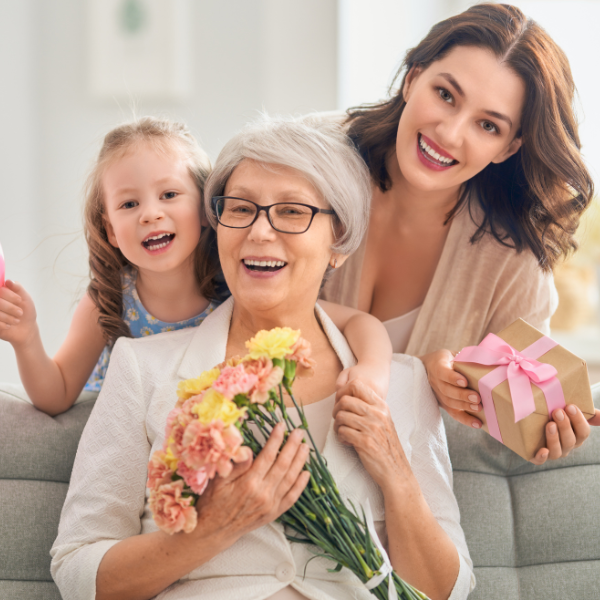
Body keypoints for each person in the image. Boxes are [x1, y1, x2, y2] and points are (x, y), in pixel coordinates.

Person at [51, 116, 474, 600]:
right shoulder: (142, 368)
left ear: (337, 242)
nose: (259, 232)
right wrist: (211, 529)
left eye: (292, 212)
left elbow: (448, 590)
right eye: (241, 209)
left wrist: (397, 474)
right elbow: (77, 570)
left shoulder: (404, 383)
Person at [321, 2, 600, 463]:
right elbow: (239, 313)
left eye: (487, 125)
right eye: (446, 94)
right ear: (412, 78)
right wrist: (417, 375)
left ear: (508, 148)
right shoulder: (305, 163)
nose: (450, 134)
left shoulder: (514, 262)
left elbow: (502, 427)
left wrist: (544, 430)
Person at [0, 117, 391, 416]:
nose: (150, 214)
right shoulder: (111, 300)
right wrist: (26, 339)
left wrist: (372, 369)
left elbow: (358, 323)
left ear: (207, 211)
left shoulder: (235, 285)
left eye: (169, 195)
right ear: (111, 231)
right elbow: (57, 394)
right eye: (129, 204)